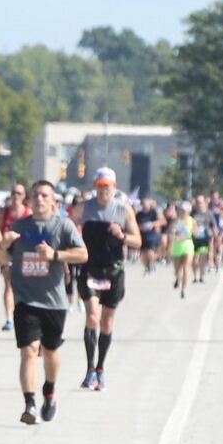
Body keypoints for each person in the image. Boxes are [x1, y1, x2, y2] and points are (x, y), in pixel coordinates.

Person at [0, 180, 87, 425]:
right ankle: (30, 404)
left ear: (53, 201)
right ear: (28, 200)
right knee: (28, 351)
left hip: (54, 302)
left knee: (50, 351)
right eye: (35, 195)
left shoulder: (63, 225)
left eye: (44, 196)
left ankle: (49, 391)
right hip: (26, 300)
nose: (39, 199)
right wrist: (3, 245)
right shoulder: (19, 226)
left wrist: (56, 255)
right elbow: (3, 258)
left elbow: (82, 254)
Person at [77, 168, 141, 392]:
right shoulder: (84, 208)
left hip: (113, 271)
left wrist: (122, 235)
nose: (103, 189)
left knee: (106, 322)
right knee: (92, 318)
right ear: (95, 185)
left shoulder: (124, 210)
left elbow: (137, 241)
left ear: (114, 187)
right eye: (100, 185)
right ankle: (89, 368)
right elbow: (69, 228)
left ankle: (101, 369)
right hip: (89, 269)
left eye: (108, 186)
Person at [0, 183, 30, 330]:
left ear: (24, 196)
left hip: (24, 254)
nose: (16, 196)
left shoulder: (28, 213)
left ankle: (22, 314)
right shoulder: (4, 213)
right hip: (8, 254)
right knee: (8, 284)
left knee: (23, 286)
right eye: (13, 193)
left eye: (19, 193)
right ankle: (9, 318)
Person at [137, 196, 163, 275]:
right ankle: (147, 267)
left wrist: (152, 224)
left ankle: (152, 264)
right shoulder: (139, 214)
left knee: (150, 251)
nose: (145, 205)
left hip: (152, 234)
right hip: (142, 234)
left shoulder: (154, 212)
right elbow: (135, 224)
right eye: (144, 203)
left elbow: (161, 221)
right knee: (143, 253)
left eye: (147, 203)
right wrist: (141, 227)